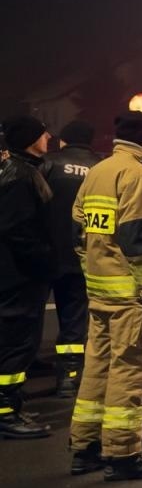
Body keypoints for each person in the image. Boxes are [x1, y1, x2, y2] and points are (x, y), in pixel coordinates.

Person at [68, 110, 142, 478]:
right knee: (129, 370)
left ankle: (85, 447)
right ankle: (124, 454)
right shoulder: (137, 175)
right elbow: (140, 239)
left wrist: (90, 269)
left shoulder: (98, 171)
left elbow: (79, 231)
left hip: (99, 290)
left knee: (96, 368)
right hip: (130, 295)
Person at [0, 116, 56, 439]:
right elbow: (18, 230)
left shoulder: (22, 170)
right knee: (16, 343)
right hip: (20, 277)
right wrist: (44, 261)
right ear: (29, 140)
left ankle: (11, 404)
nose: (48, 136)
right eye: (41, 133)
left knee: (17, 341)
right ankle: (6, 412)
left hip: (19, 275)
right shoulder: (21, 176)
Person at [43, 120, 98, 398]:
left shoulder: (48, 164)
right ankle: (68, 376)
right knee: (74, 318)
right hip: (81, 253)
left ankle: (23, 365)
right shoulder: (100, 168)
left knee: (27, 318)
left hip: (43, 254)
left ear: (63, 141)